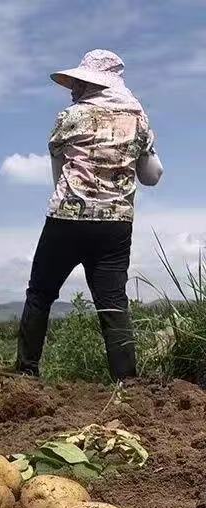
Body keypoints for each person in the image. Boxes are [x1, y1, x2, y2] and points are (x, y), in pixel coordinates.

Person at [16, 49, 163, 381]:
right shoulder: (138, 119)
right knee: (113, 303)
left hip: (66, 219)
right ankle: (126, 384)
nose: (73, 89)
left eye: (78, 83)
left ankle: (26, 375)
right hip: (115, 225)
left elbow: (58, 174)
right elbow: (151, 176)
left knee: (40, 293)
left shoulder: (69, 117)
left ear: (92, 84)